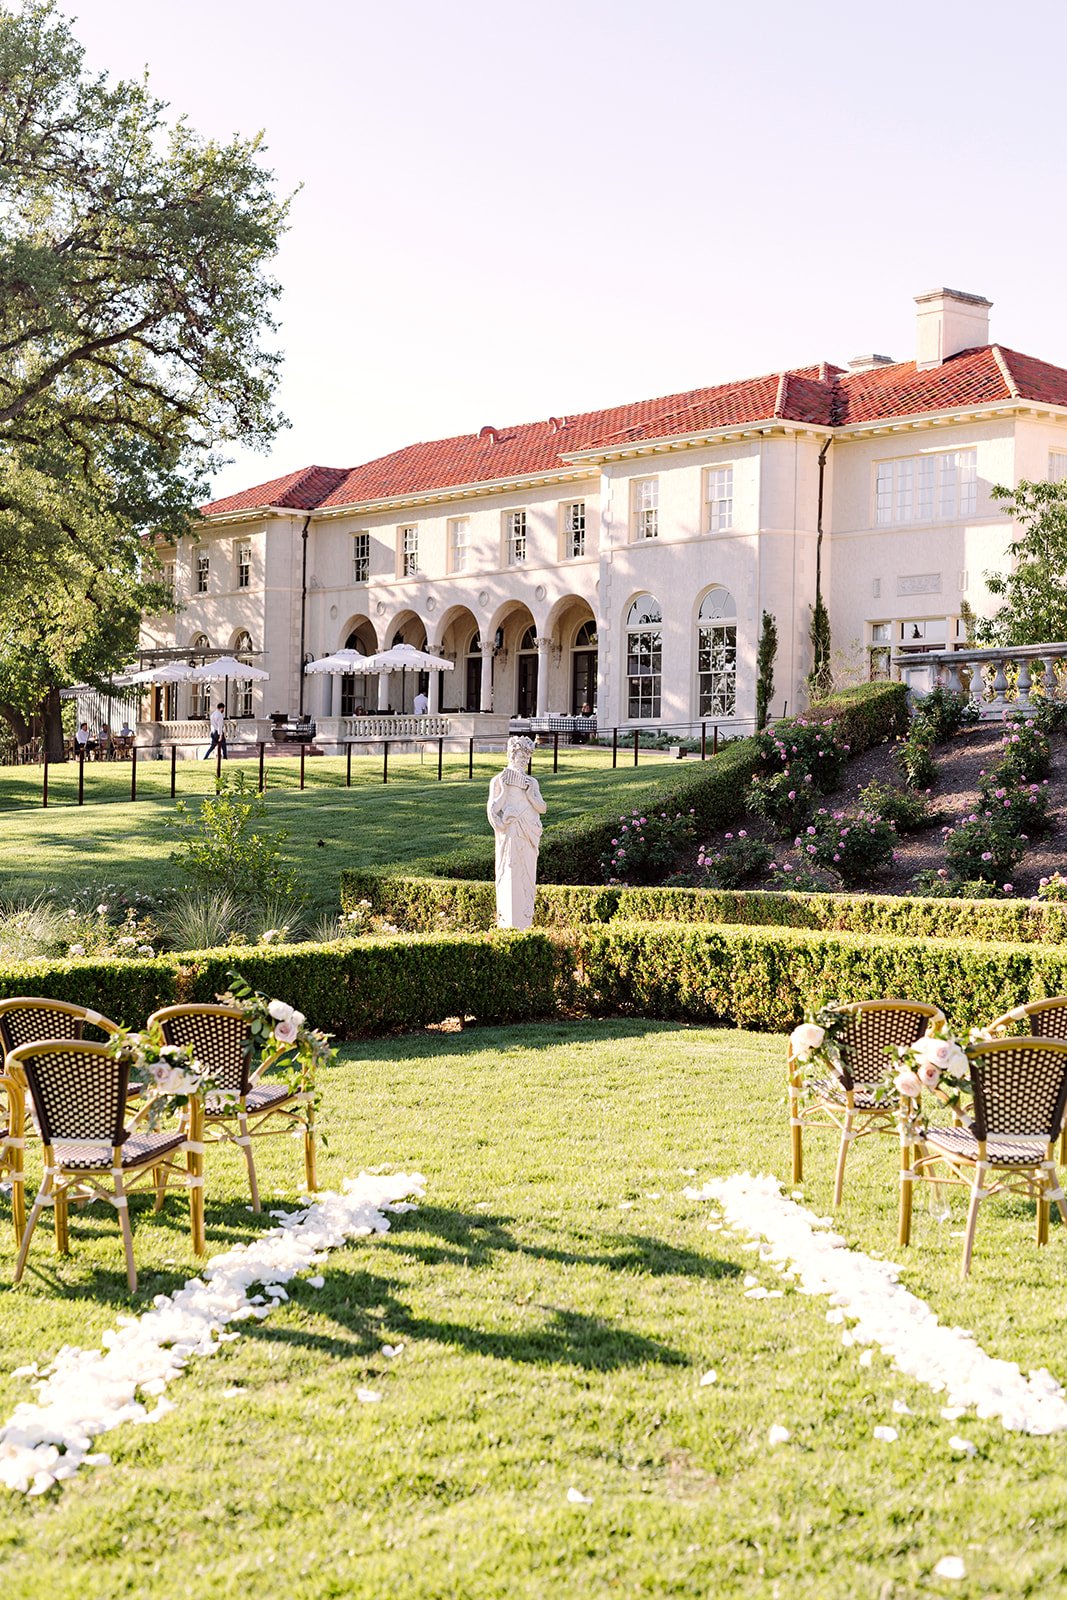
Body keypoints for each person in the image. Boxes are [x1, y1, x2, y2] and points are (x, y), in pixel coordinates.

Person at [486, 736, 546, 930]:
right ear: (511, 756)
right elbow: (493, 810)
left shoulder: (532, 782)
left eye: (527, 758)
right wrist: (504, 790)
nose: (524, 761)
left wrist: (530, 793)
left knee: (527, 874)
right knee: (511, 872)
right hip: (511, 831)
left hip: (529, 831)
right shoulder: (499, 780)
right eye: (521, 756)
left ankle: (524, 922)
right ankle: (511, 924)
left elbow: (542, 808)